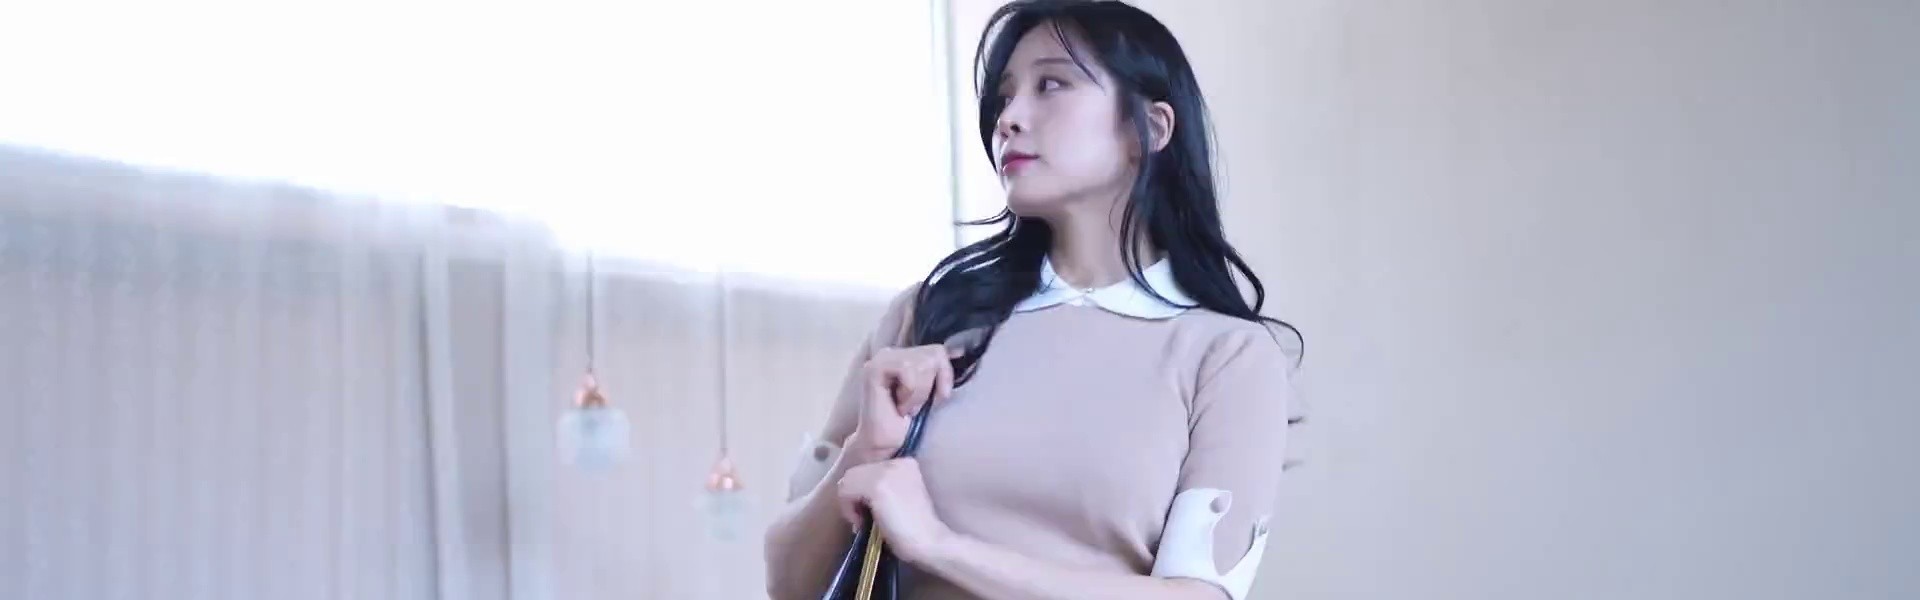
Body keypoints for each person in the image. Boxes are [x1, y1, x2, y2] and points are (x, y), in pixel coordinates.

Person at [763, 1, 1302, 599]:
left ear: (1149, 130)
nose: (1010, 119)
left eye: (1051, 85)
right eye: (1004, 97)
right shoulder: (928, 316)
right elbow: (788, 586)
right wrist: (865, 449)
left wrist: (940, 547)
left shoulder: (1228, 356)